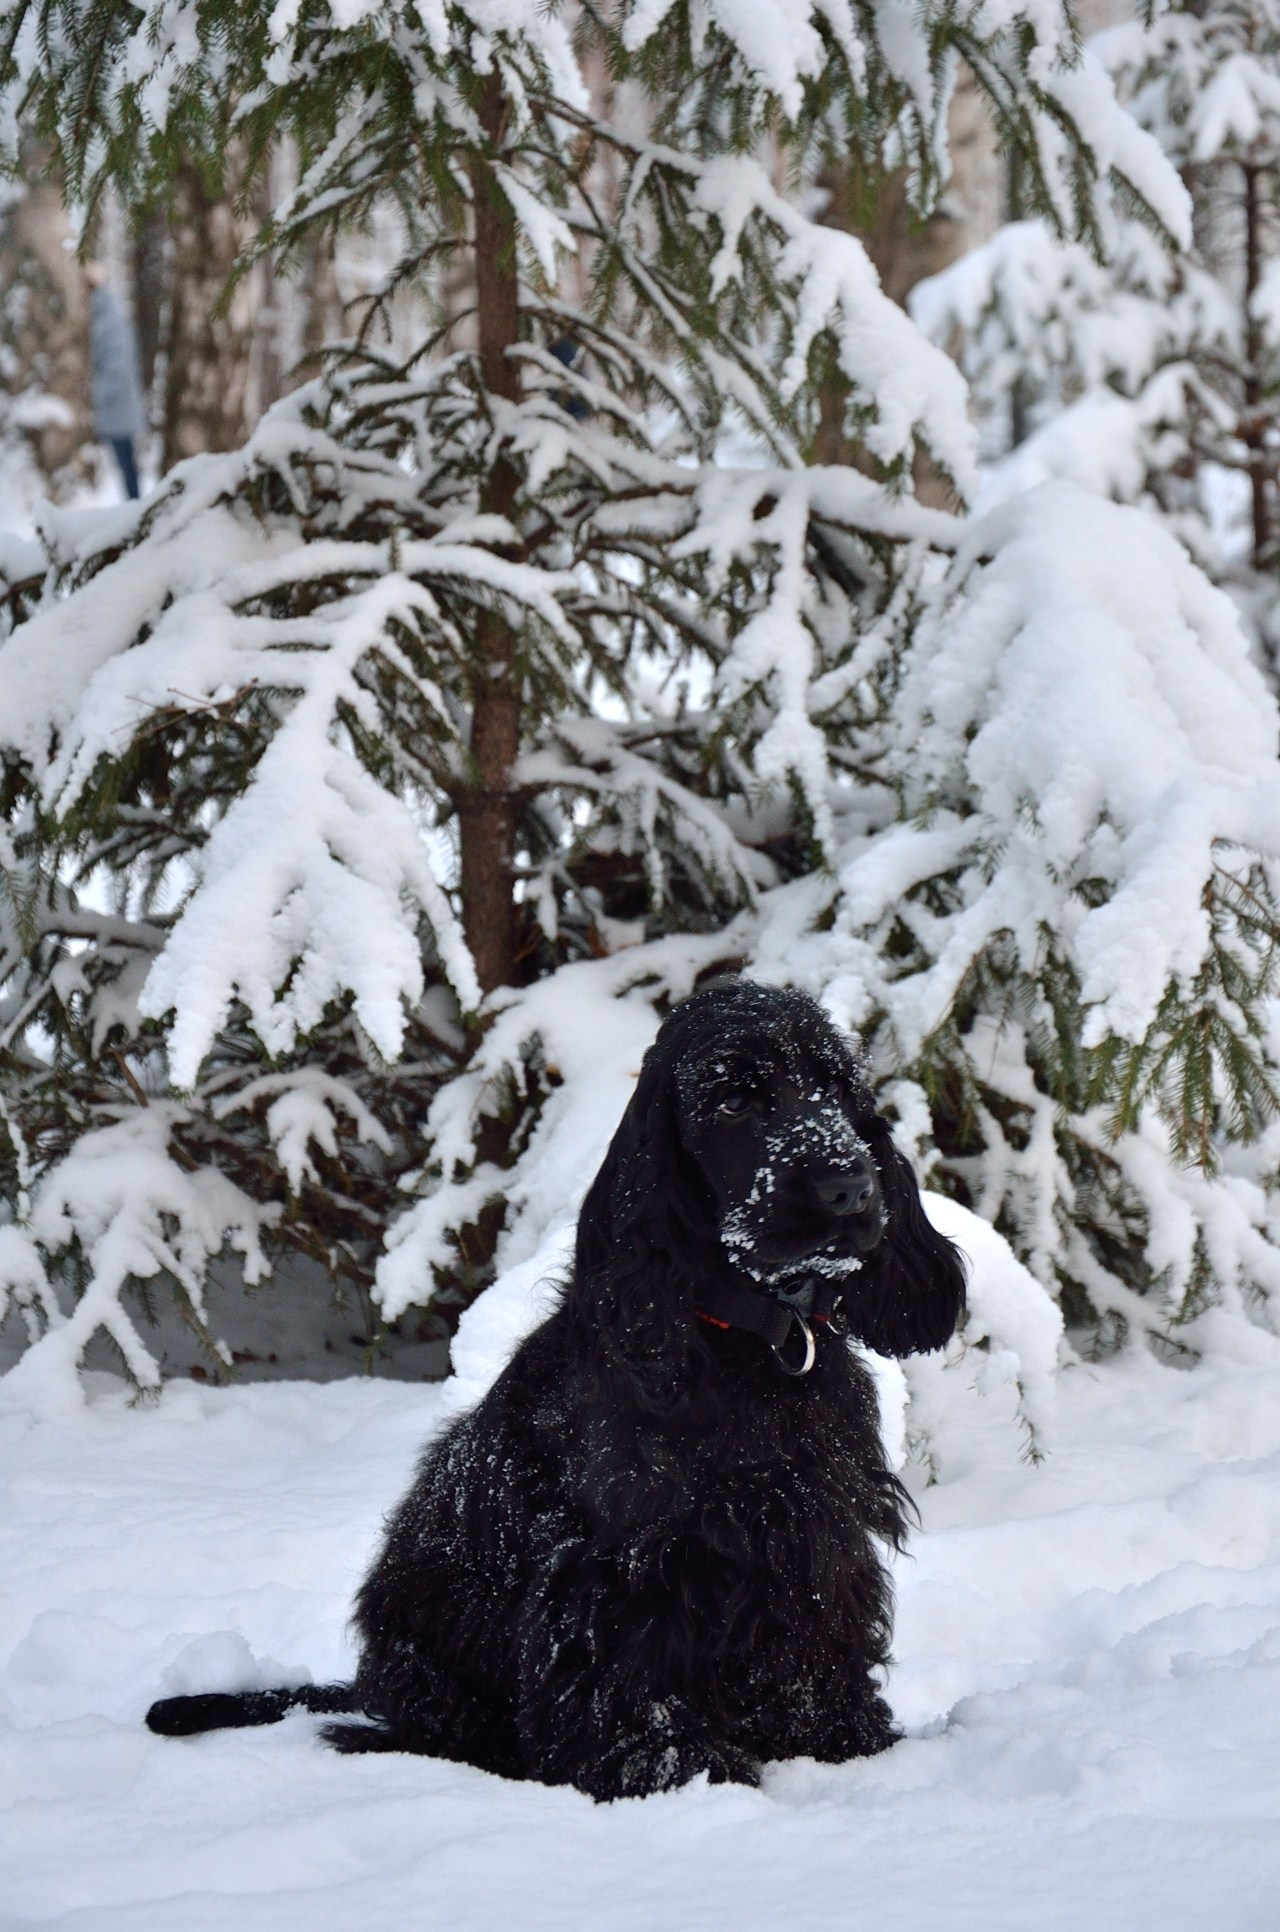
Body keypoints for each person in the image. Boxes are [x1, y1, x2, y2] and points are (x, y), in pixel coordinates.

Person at [84, 261, 146, 500]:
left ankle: (136, 512)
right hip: (115, 410)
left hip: (118, 410)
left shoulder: (108, 320)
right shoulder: (106, 316)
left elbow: (116, 369)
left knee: (128, 469)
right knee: (126, 468)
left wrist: (95, 396)